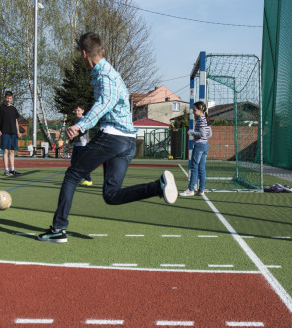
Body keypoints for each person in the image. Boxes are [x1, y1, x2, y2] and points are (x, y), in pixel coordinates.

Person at [37, 32, 177, 244]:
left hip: (113, 138)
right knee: (111, 195)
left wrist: (79, 125)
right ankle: (158, 187)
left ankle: (58, 228)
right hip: (127, 141)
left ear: (84, 54)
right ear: (100, 51)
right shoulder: (105, 73)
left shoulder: (105, 76)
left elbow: (104, 103)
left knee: (73, 175)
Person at [181, 101, 212, 196]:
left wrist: (192, 133)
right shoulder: (206, 119)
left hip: (199, 145)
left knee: (194, 167)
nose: (193, 112)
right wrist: (202, 136)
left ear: (200, 110)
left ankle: (190, 189)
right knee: (201, 168)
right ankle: (201, 190)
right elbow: (209, 134)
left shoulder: (201, 120)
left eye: (195, 110)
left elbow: (202, 134)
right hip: (205, 144)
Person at [0, 91, 22, 177]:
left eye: (10, 98)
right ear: (5, 98)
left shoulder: (14, 109)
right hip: (5, 132)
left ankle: (12, 169)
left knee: (12, 151)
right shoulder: (1, 108)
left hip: (13, 132)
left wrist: (18, 131)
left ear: (12, 99)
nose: (8, 100)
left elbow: (16, 121)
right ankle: (6, 170)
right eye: (7, 98)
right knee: (5, 151)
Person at [71, 104, 92, 187]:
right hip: (77, 144)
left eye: (78, 110)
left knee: (81, 163)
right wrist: (71, 139)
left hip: (83, 144)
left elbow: (84, 131)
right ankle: (84, 179)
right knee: (73, 162)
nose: (77, 112)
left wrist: (74, 135)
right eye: (75, 110)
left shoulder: (84, 120)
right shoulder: (76, 120)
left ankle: (87, 180)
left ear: (83, 111)